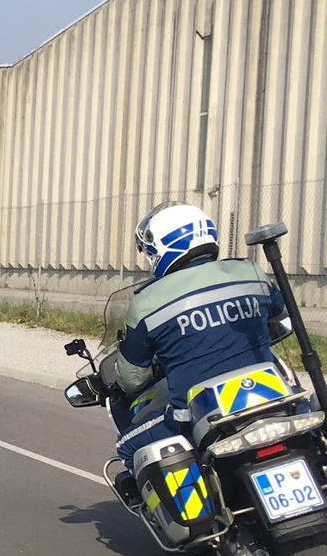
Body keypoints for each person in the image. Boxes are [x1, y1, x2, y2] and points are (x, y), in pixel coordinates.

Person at [109, 201, 289, 485]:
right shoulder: (251, 271)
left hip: (199, 414)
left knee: (129, 445)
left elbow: (131, 379)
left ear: (160, 248)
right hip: (271, 396)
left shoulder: (146, 303)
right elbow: (281, 315)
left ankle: (199, 518)